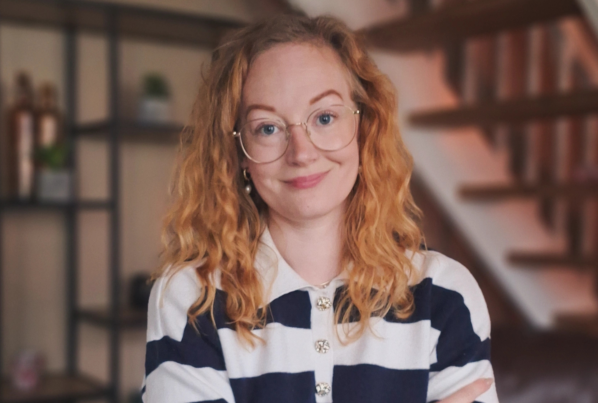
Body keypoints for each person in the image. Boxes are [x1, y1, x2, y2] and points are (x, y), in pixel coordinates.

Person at [141, 13, 498, 403]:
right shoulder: (193, 297)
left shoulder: (445, 294)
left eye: (325, 118)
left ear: (363, 127)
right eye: (267, 128)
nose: (302, 152)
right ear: (238, 150)